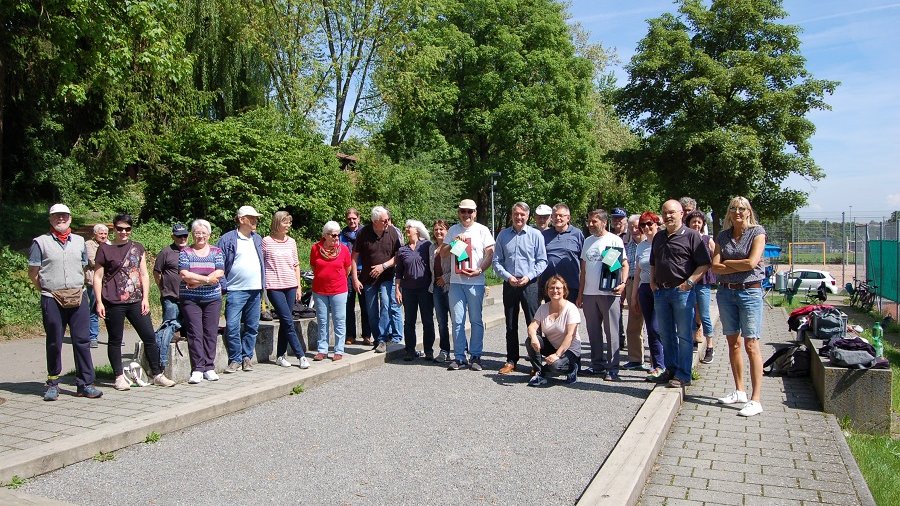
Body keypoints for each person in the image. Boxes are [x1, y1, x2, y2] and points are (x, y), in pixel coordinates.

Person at [28, 204, 103, 400]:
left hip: (78, 296)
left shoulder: (79, 242)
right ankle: (53, 383)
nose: (60, 219)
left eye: (64, 215)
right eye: (56, 216)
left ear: (69, 218)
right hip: (52, 297)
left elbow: (84, 266)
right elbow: (33, 273)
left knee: (82, 341)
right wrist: (45, 289)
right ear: (50, 219)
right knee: (54, 341)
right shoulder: (40, 242)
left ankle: (85, 384)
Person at [94, 214, 175, 390]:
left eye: (127, 229)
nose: (123, 232)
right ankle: (118, 377)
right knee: (115, 339)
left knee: (149, 337)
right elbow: (98, 277)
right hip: (113, 301)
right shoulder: (104, 249)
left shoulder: (137, 247)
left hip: (136, 300)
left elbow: (144, 274)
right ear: (113, 229)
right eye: (120, 229)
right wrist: (99, 301)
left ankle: (157, 374)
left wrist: (145, 298)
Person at [712, 196, 767, 417]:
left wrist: (728, 264)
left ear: (748, 211)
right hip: (726, 292)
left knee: (751, 344)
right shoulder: (723, 236)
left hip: (749, 291)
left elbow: (752, 263)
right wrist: (736, 265)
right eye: (733, 208)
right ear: (729, 212)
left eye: (742, 208)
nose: (737, 212)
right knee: (732, 343)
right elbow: (715, 267)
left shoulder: (757, 232)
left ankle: (756, 399)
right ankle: (739, 391)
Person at [650, 200, 711, 389]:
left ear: (681, 214)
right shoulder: (659, 237)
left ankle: (684, 374)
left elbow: (704, 263)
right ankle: (671, 370)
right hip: (661, 292)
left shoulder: (692, 236)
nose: (668, 216)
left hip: (682, 292)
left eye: (672, 212)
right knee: (665, 334)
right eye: (665, 212)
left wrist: (689, 283)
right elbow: (653, 262)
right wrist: (652, 282)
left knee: (684, 335)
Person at [492, 202, 547, 374]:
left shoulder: (536, 235)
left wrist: (529, 276)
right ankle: (511, 360)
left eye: (522, 214)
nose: (519, 217)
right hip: (509, 284)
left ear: (528, 216)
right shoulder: (502, 235)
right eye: (516, 214)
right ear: (512, 215)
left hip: (529, 284)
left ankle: (535, 363)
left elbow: (542, 261)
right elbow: (496, 261)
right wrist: (508, 277)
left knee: (533, 324)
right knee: (510, 324)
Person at [442, 198, 495, 371]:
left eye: (470, 211)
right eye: (463, 211)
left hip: (476, 282)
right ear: (459, 212)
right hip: (456, 283)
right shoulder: (453, 230)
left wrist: (480, 270)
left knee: (476, 320)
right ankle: (459, 357)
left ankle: (476, 356)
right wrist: (454, 242)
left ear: (475, 213)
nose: (466, 214)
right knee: (457, 321)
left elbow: (490, 253)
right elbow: (442, 253)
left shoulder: (482, 230)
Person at [577, 209, 628, 381]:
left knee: (611, 332)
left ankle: (612, 368)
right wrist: (580, 294)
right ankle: (596, 365)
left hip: (609, 293)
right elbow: (583, 270)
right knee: (593, 331)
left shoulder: (614, 240)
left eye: (594, 221)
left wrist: (623, 284)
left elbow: (624, 265)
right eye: (589, 221)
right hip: (589, 293)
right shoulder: (587, 241)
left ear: (604, 222)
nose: (591, 224)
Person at [219, 205, 265, 373]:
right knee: (232, 326)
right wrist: (224, 286)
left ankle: (247, 357)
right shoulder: (227, 239)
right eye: (251, 218)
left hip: (255, 290)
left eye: (255, 218)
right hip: (235, 290)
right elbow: (219, 264)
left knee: (252, 326)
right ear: (241, 219)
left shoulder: (258, 239)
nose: (255, 221)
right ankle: (235, 359)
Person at [179, 220, 226, 383]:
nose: (200, 236)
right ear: (192, 234)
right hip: (190, 299)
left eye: (203, 233)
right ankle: (198, 369)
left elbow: (219, 271)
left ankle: (209, 367)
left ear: (209, 235)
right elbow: (184, 274)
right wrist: (207, 279)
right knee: (195, 332)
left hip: (212, 298)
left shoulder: (216, 251)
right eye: (197, 233)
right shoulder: (185, 252)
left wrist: (198, 281)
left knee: (210, 332)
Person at [351, 206, 402, 353]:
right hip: (368, 278)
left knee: (386, 304)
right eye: (384, 220)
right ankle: (378, 337)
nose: (387, 222)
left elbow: (398, 256)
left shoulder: (392, 231)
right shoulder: (363, 233)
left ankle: (382, 340)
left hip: (387, 275)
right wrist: (355, 278)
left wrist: (383, 266)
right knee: (371, 310)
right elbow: (354, 257)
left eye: (387, 219)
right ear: (375, 221)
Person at [263, 211, 310, 369]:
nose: (288, 225)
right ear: (277, 223)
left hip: (290, 285)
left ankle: (280, 355)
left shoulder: (291, 242)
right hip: (274, 286)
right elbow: (262, 264)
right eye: (285, 222)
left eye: (289, 222)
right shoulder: (266, 241)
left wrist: (298, 286)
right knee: (288, 321)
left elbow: (296, 265)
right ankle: (301, 356)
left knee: (286, 320)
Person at [526, 276, 581, 387]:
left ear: (564, 290)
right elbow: (532, 327)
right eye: (551, 288)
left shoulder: (571, 308)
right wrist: (534, 337)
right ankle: (539, 371)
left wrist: (557, 355)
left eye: (558, 288)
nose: (554, 291)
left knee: (555, 365)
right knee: (529, 341)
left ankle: (572, 368)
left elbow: (570, 335)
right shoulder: (543, 308)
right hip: (553, 345)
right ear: (547, 290)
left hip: (569, 349)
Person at [631, 211, 666, 380]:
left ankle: (662, 364)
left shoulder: (664, 242)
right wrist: (634, 295)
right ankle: (656, 364)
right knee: (650, 330)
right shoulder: (641, 246)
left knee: (657, 328)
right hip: (644, 288)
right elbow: (637, 272)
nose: (646, 228)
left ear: (657, 224)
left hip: (660, 288)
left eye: (649, 224)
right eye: (642, 225)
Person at [394, 219, 435, 361]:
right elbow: (399, 272)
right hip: (408, 290)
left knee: (427, 320)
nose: (406, 229)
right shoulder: (402, 250)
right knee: (409, 321)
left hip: (425, 289)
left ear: (417, 230)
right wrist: (397, 290)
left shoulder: (427, 245)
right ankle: (410, 350)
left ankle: (428, 350)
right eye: (406, 227)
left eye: (409, 227)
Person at [311, 221, 352, 360]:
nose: (336, 238)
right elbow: (314, 267)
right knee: (322, 321)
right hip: (319, 290)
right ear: (325, 235)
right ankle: (322, 350)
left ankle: (339, 350)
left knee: (339, 320)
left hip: (339, 290)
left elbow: (347, 268)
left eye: (338, 235)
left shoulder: (344, 249)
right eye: (333, 235)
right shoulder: (315, 248)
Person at [153, 223, 189, 366]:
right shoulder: (166, 252)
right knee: (169, 329)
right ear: (173, 236)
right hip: (171, 297)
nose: (182, 238)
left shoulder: (191, 251)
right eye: (179, 236)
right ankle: (161, 361)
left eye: (185, 235)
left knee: (186, 330)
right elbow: (157, 272)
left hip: (188, 297)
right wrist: (163, 288)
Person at [686, 210, 717, 364]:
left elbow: (716, 256)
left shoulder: (707, 239)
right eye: (693, 222)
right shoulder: (685, 238)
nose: (696, 224)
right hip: (688, 281)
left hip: (703, 281)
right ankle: (691, 339)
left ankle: (710, 346)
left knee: (704, 314)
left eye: (699, 222)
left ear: (703, 224)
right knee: (690, 312)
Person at [340, 208, 371, 346]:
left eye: (354, 218)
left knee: (366, 305)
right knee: (348, 305)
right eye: (349, 219)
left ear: (359, 218)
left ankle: (367, 335)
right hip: (348, 274)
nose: (352, 221)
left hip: (363, 273)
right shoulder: (341, 235)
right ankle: (350, 335)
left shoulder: (366, 233)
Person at [540, 203, 584, 302]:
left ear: (568, 218)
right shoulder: (544, 235)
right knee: (551, 316)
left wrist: (582, 288)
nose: (557, 218)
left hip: (570, 286)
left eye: (561, 215)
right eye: (555, 215)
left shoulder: (577, 234)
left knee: (569, 316)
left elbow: (583, 261)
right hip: (550, 286)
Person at [622, 215, 647, 370]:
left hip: (648, 284)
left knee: (655, 324)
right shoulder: (626, 246)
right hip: (630, 283)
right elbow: (617, 267)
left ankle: (660, 361)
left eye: (637, 226)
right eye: (630, 226)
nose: (634, 229)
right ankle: (636, 359)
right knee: (633, 324)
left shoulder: (651, 243)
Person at [430, 220, 453, 363]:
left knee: (457, 321)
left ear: (447, 231)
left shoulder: (454, 245)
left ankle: (462, 350)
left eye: (442, 229)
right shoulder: (431, 247)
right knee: (441, 322)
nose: (438, 232)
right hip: (436, 288)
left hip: (451, 287)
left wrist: (446, 278)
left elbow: (461, 264)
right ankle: (444, 350)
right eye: (436, 229)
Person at [85, 223, 110, 348]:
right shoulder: (89, 245)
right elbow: (92, 261)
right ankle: (93, 337)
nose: (104, 236)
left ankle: (114, 336)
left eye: (105, 234)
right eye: (101, 234)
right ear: (95, 234)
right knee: (94, 309)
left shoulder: (110, 244)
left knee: (110, 310)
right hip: (93, 282)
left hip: (109, 283)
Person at [610, 207, 629, 350]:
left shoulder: (632, 234)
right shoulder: (608, 237)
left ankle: (636, 343)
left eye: (620, 218)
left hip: (634, 277)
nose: (617, 221)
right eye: (615, 218)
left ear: (626, 220)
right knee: (617, 309)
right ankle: (620, 339)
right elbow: (610, 263)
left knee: (636, 311)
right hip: (616, 277)